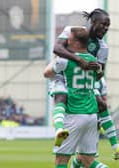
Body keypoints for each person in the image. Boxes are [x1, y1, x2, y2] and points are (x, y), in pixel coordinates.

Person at [44, 8, 119, 160]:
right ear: (92, 22)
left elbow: (99, 75)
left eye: (108, 26)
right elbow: (57, 48)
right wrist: (80, 61)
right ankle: (60, 129)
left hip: (82, 82)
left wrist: (96, 69)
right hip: (61, 74)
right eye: (103, 24)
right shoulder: (72, 31)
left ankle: (115, 145)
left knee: (101, 104)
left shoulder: (102, 47)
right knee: (62, 96)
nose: (105, 29)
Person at [52, 27, 109, 168]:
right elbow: (99, 74)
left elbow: (47, 73)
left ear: (77, 44)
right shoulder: (93, 61)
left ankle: (59, 128)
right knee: (88, 162)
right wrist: (97, 70)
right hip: (91, 116)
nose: (67, 43)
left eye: (69, 40)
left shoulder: (65, 61)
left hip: (74, 114)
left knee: (61, 160)